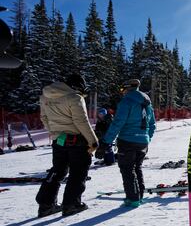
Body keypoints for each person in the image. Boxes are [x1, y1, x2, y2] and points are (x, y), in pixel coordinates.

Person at [36, 74, 98, 217]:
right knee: (78, 172)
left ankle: (46, 205)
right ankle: (71, 205)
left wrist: (55, 133)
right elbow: (81, 121)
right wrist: (93, 141)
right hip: (77, 141)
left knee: (57, 171)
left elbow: (44, 118)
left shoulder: (45, 96)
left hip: (59, 140)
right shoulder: (74, 97)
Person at [98, 79, 156, 207]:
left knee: (127, 169)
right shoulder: (147, 104)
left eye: (122, 90)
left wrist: (106, 141)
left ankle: (133, 199)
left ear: (127, 89)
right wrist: (146, 138)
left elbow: (118, 122)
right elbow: (152, 125)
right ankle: (138, 196)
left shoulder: (126, 101)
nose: (122, 92)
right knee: (137, 168)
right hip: (143, 142)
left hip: (128, 140)